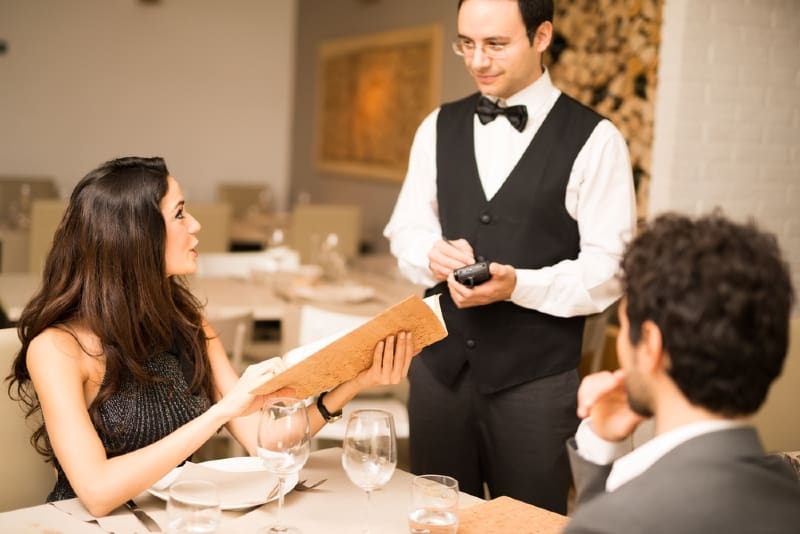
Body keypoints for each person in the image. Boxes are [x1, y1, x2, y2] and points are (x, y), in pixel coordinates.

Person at [7, 156, 416, 517]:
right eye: (180, 214)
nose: (197, 225)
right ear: (135, 235)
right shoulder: (58, 348)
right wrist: (220, 412)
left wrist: (354, 382)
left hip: (183, 519)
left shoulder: (186, 320)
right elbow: (97, 493)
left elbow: (265, 441)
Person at [383, 0, 636, 513]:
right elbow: (404, 229)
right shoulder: (438, 125)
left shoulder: (597, 140)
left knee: (529, 523)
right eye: (466, 44)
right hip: (439, 374)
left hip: (536, 385)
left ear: (541, 36)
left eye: (496, 45)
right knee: (433, 521)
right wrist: (429, 252)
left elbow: (610, 272)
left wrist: (518, 284)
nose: (478, 61)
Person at [566, 212, 800, 533]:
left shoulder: (613, 522)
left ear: (649, 344)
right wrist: (603, 443)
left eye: (623, 326)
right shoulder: (788, 488)